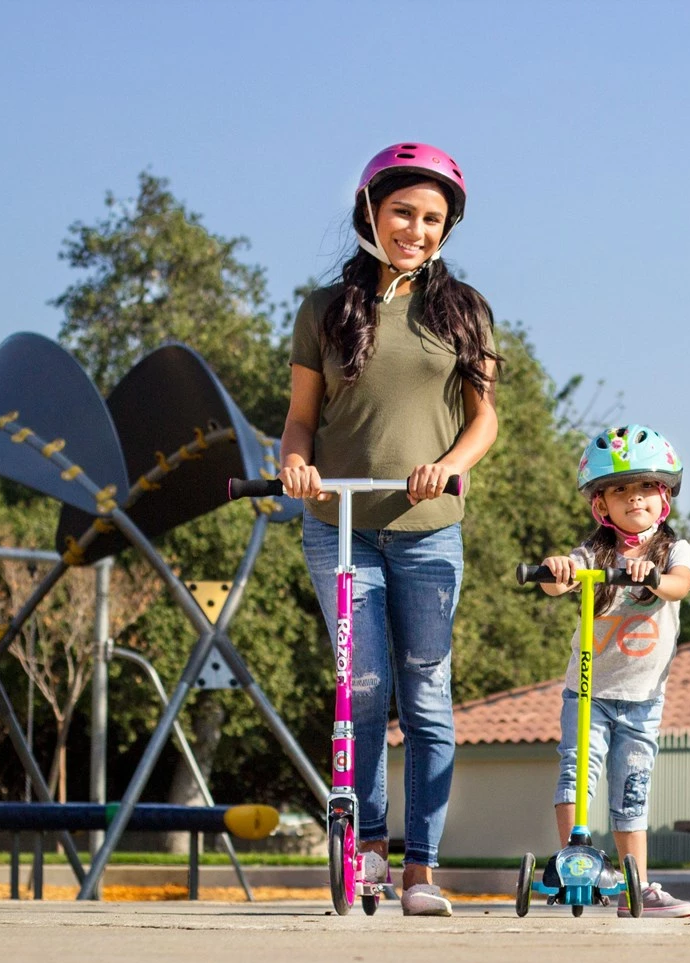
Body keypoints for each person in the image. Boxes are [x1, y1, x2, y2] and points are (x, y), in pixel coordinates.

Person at [279, 143, 500, 916]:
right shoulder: (323, 311)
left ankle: (422, 869)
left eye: (433, 218)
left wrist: (448, 464)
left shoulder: (464, 310)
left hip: (428, 530)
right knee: (363, 693)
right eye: (404, 211)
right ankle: (367, 850)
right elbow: (300, 424)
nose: (417, 228)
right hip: (338, 528)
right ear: (371, 211)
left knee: (428, 699)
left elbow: (484, 423)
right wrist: (296, 468)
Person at [536, 424, 690, 917]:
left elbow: (679, 585)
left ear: (664, 496)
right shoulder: (592, 555)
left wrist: (653, 575)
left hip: (644, 696)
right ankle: (573, 865)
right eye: (620, 490)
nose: (634, 499)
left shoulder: (673, 551)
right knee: (575, 775)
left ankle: (637, 887)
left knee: (632, 789)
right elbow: (554, 583)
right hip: (587, 693)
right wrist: (556, 570)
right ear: (600, 505)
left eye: (645, 487)